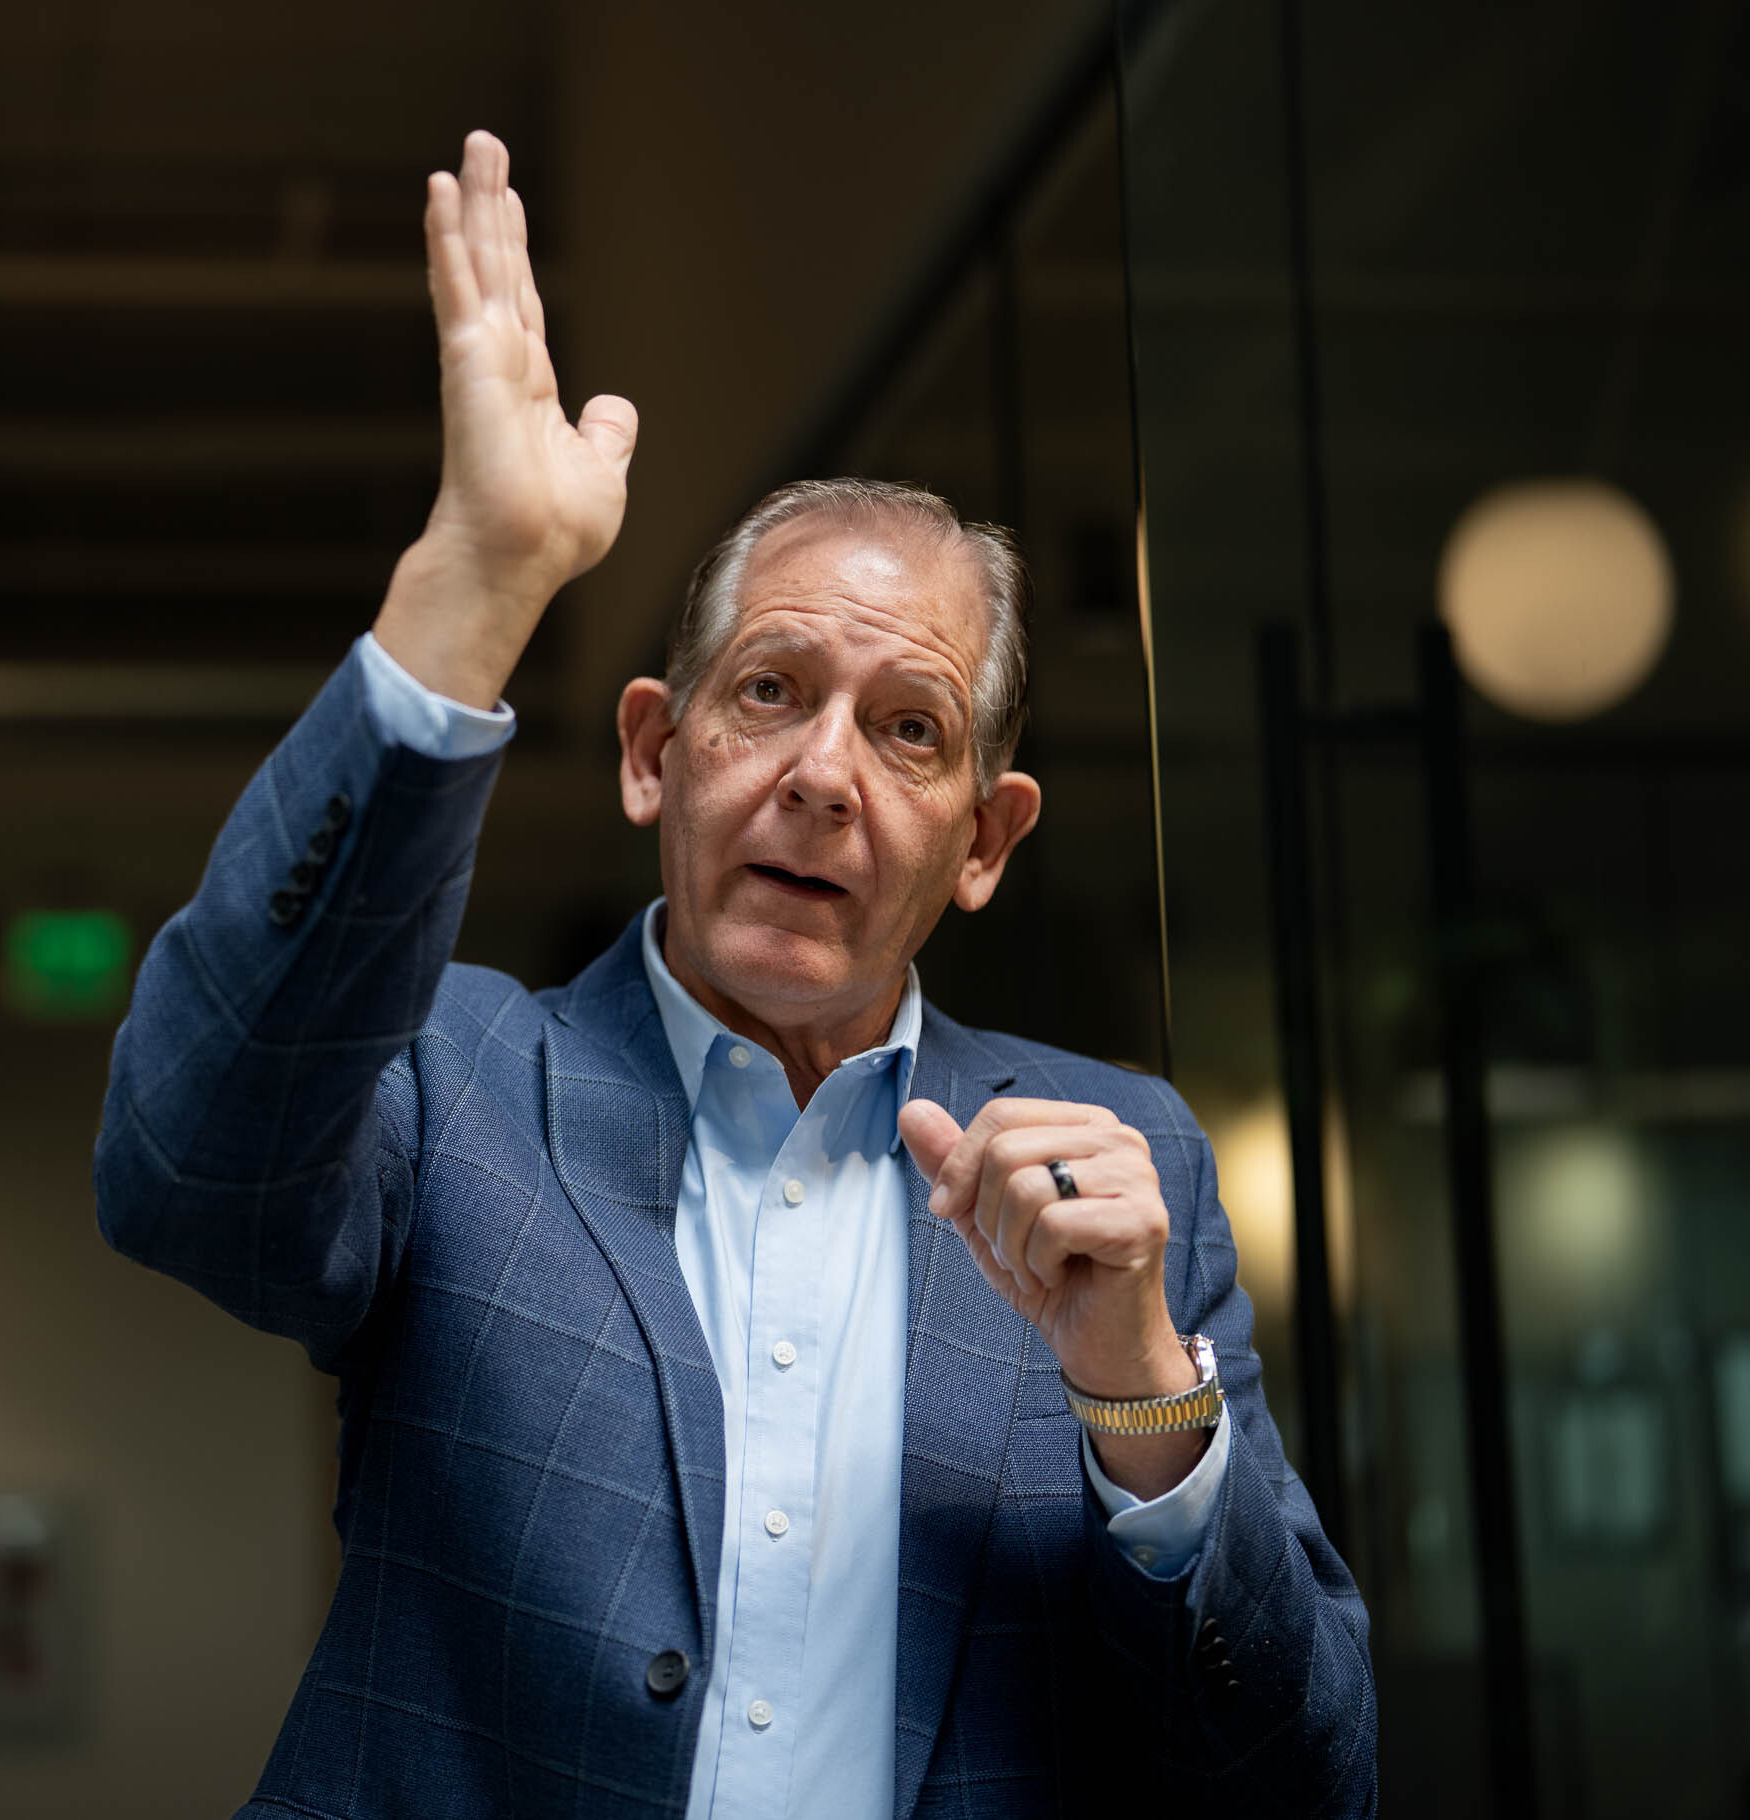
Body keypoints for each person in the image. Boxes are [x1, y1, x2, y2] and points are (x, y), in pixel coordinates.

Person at [94, 131, 1372, 1818]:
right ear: (653, 751)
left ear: (983, 841)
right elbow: (187, 1164)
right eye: (771, 692)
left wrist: (1142, 1400)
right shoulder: (452, 1077)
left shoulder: (1122, 1175)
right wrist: (474, 590)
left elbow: (1305, 1777)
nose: (826, 773)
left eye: (906, 730)